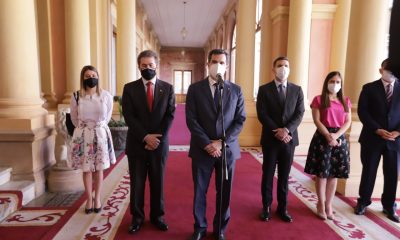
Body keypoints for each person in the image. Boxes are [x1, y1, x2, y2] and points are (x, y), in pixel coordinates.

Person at [185, 49, 246, 240]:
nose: (217, 65)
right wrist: (207, 143)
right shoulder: (195, 89)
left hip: (227, 150)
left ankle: (220, 227)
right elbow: (191, 119)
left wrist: (221, 142)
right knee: (200, 191)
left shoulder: (235, 90)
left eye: (221, 62)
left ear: (226, 67)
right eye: (214, 61)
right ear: (207, 64)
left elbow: (240, 120)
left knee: (224, 192)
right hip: (202, 149)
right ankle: (200, 227)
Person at [122, 50, 175, 233]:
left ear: (156, 66)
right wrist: (145, 137)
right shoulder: (129, 88)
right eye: (144, 66)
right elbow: (129, 116)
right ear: (139, 66)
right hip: (137, 143)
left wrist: (156, 138)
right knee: (137, 183)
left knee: (157, 181)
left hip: (159, 145)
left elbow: (169, 115)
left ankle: (157, 216)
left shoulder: (167, 88)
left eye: (151, 65)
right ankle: (137, 218)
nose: (148, 68)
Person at [256, 56, 304, 223]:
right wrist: (277, 131)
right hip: (271, 139)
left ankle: (282, 208)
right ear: (273, 69)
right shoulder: (264, 89)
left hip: (289, 140)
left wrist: (287, 130)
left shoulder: (297, 90)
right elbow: (262, 113)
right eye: (280, 65)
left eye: (286, 65)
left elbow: (299, 113)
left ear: (289, 69)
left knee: (284, 176)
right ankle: (266, 207)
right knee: (268, 174)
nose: (283, 68)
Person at [354, 58, 400, 223]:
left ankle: (389, 205)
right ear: (381, 70)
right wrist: (377, 129)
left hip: (395, 140)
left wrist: (397, 132)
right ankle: (363, 201)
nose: (392, 72)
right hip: (372, 138)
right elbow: (363, 112)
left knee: (392, 174)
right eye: (389, 69)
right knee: (369, 171)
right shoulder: (369, 88)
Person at [304, 71, 351, 220]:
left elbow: (348, 121)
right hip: (322, 137)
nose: (335, 84)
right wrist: (328, 136)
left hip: (339, 139)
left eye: (338, 82)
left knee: (334, 174)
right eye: (332, 81)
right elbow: (317, 121)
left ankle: (329, 204)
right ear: (327, 82)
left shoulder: (345, 100)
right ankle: (320, 204)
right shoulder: (319, 100)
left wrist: (336, 136)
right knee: (322, 174)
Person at [69, 65, 116, 214]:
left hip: (100, 134)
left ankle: (97, 198)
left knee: (99, 168)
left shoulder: (106, 96)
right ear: (83, 79)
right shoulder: (76, 96)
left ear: (98, 77)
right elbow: (74, 117)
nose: (91, 78)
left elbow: (107, 116)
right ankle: (89, 199)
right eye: (88, 76)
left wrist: (97, 128)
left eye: (93, 75)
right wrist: (85, 130)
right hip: (83, 135)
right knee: (87, 169)